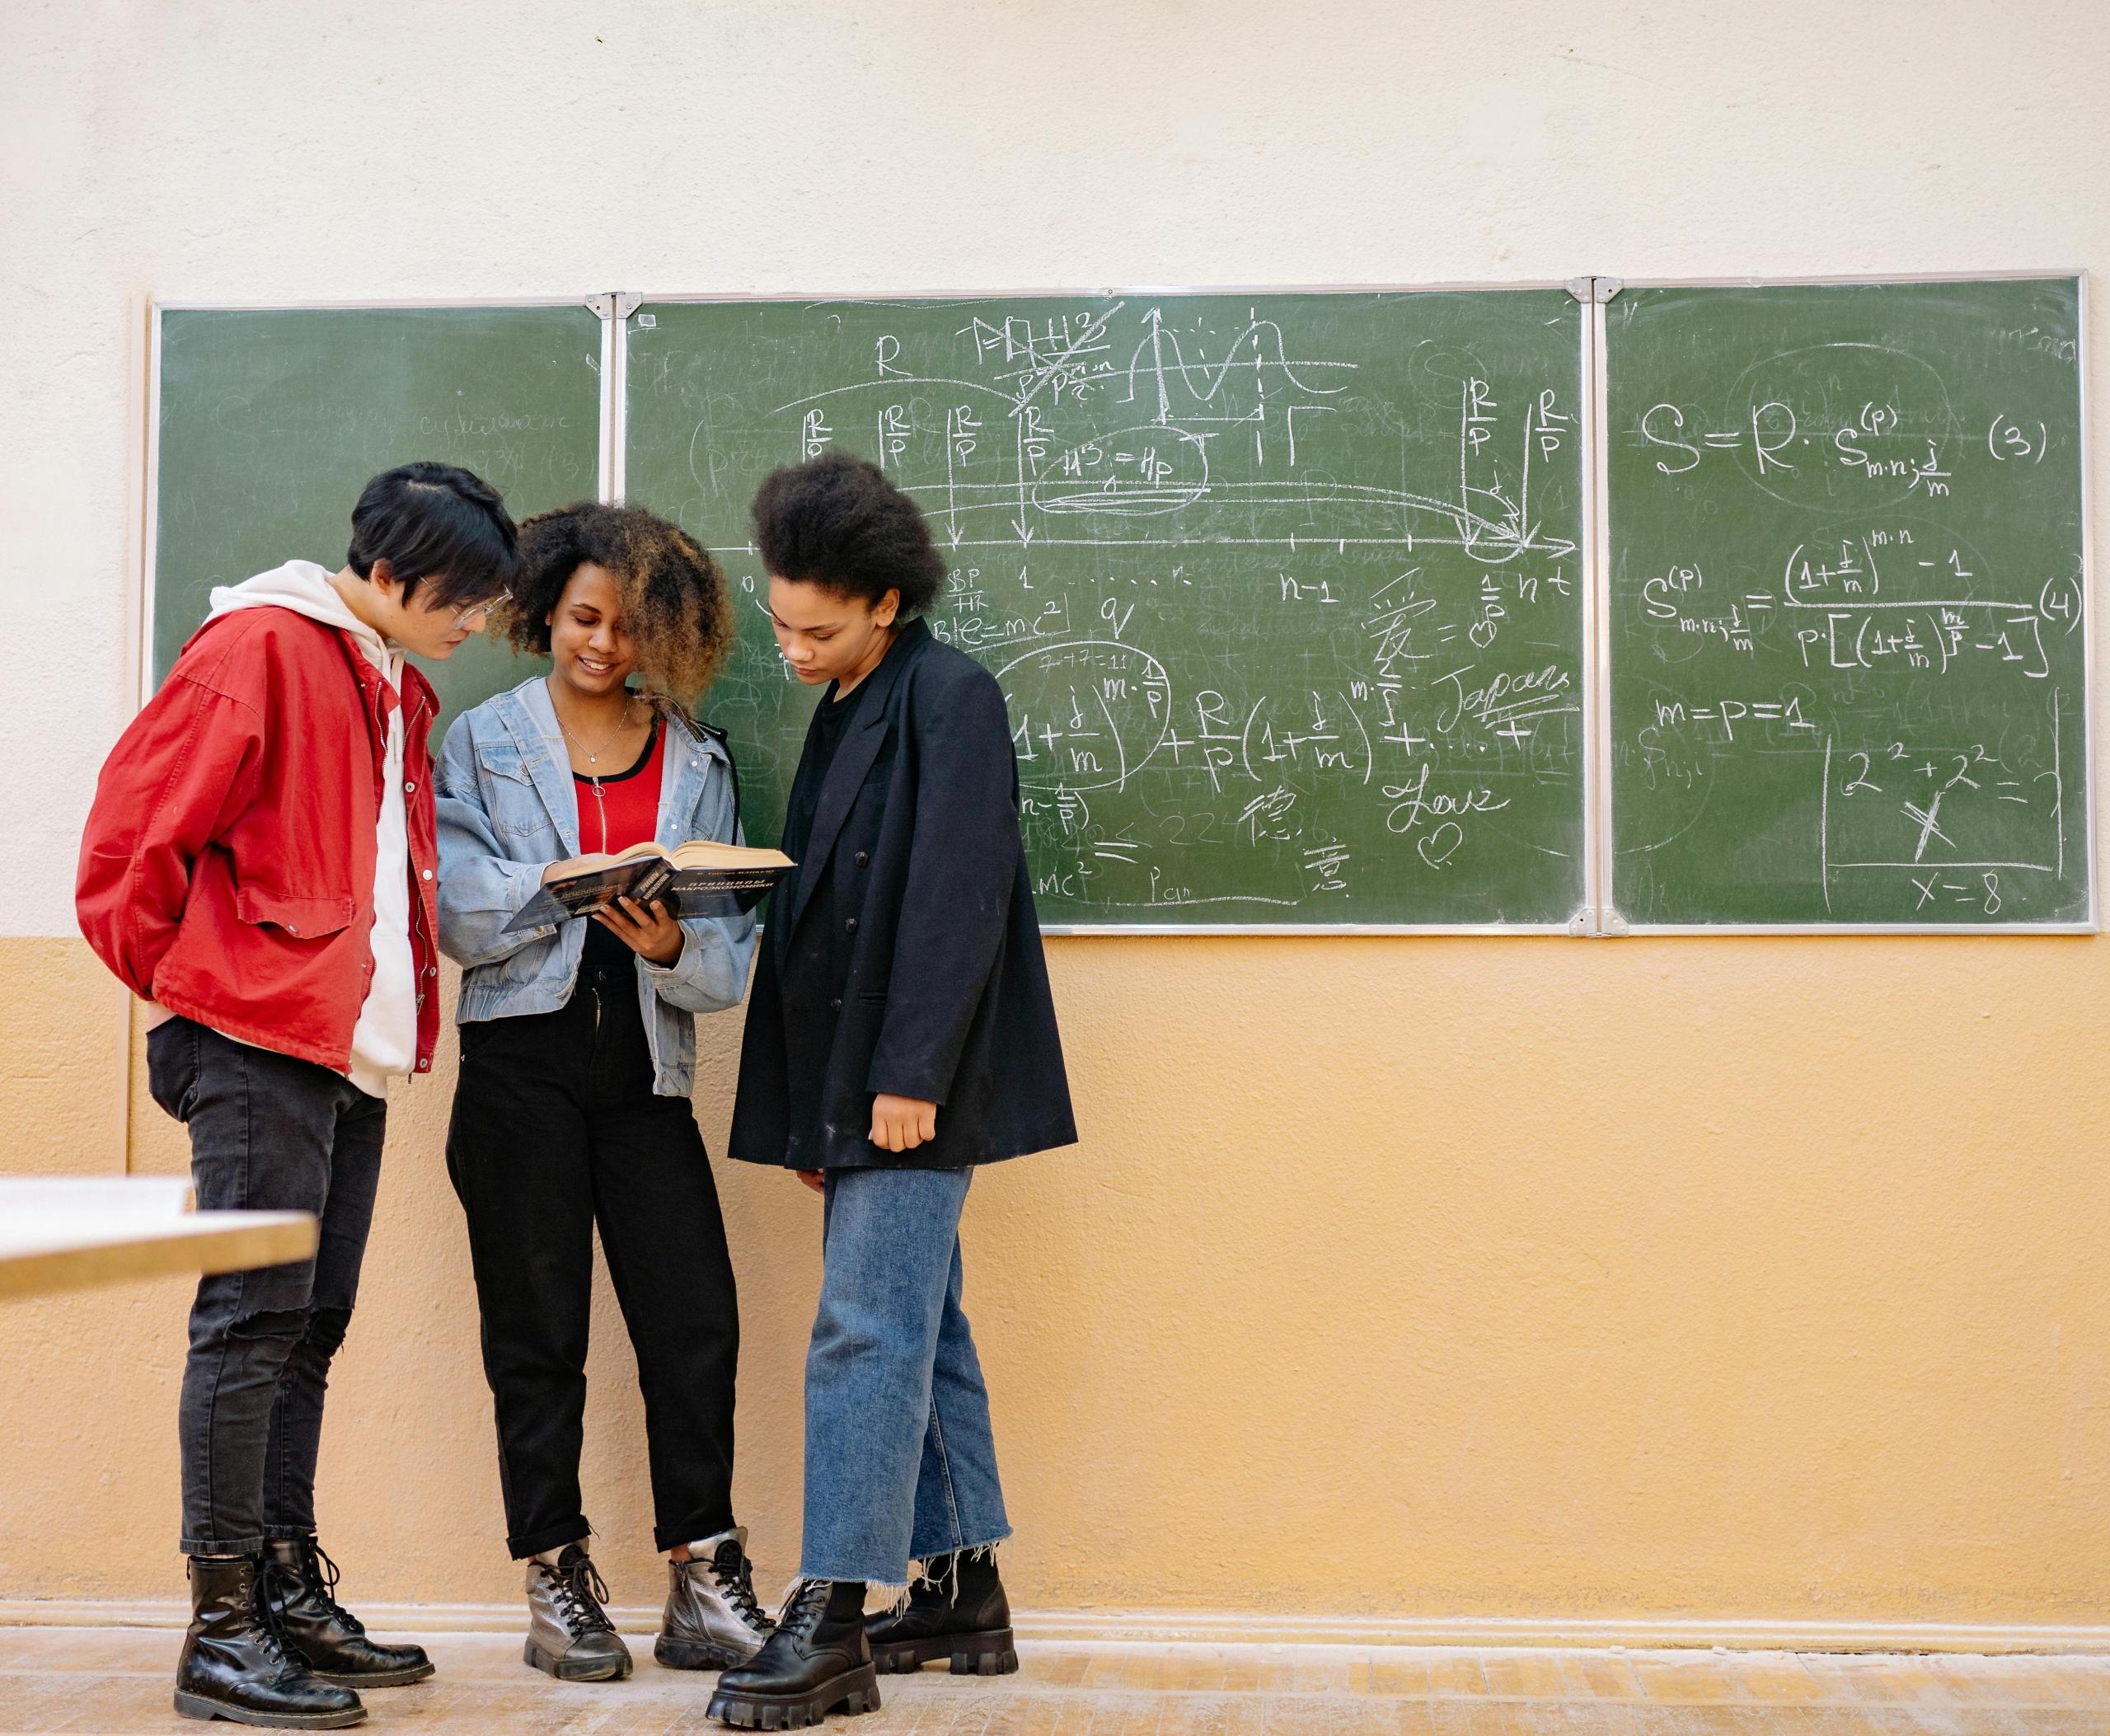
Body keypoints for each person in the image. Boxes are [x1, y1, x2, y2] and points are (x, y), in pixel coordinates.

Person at [76, 462, 520, 1730]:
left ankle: (279, 1589)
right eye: (468, 599)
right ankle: (218, 1628)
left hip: (351, 1052)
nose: (479, 622)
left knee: (308, 1326)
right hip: (264, 1044)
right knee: (250, 1320)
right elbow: (124, 848)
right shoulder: (263, 644)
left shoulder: (387, 679)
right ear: (391, 576)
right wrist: (208, 995)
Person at [708, 453, 1076, 1729]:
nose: (791, 649)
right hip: (854, 1079)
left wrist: (907, 1079)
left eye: (815, 628)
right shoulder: (855, 697)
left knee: (863, 1326)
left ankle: (833, 1611)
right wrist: (823, 1102)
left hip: (911, 1080)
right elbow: (830, 914)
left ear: (884, 602)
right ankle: (963, 1584)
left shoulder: (950, 694)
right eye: (778, 622)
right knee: (922, 1319)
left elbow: (958, 896)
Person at [434, 501, 772, 1685]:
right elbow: (458, 913)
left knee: (694, 1323)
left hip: (646, 1075)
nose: (604, 647)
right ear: (544, 612)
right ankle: (556, 1573)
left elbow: (724, 967)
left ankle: (704, 1572)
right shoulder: (479, 739)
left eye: (632, 629)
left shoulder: (700, 755)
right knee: (537, 1336)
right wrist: (563, 887)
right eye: (585, 619)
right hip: (519, 1073)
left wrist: (671, 941)